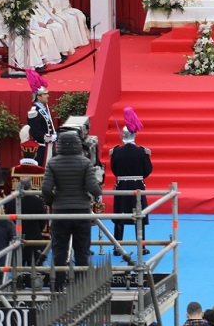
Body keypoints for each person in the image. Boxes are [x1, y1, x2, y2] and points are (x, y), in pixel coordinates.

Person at [40, 130, 102, 292]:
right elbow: (93, 187)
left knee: (59, 251)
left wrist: (52, 201)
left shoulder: (53, 163)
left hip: (60, 211)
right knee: (82, 251)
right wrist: (97, 193)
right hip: (81, 211)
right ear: (78, 144)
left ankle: (58, 285)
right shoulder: (85, 163)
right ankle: (81, 286)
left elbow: (45, 188)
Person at [109, 106, 152, 257]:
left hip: (122, 185)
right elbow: (148, 170)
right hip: (137, 185)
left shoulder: (116, 152)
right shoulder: (142, 152)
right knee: (139, 216)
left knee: (120, 216)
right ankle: (142, 246)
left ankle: (117, 247)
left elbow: (114, 169)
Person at [26, 72, 57, 165]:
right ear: (38, 97)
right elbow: (36, 133)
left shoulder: (43, 109)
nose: (48, 96)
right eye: (45, 94)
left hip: (48, 146)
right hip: (41, 148)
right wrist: (49, 137)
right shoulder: (34, 112)